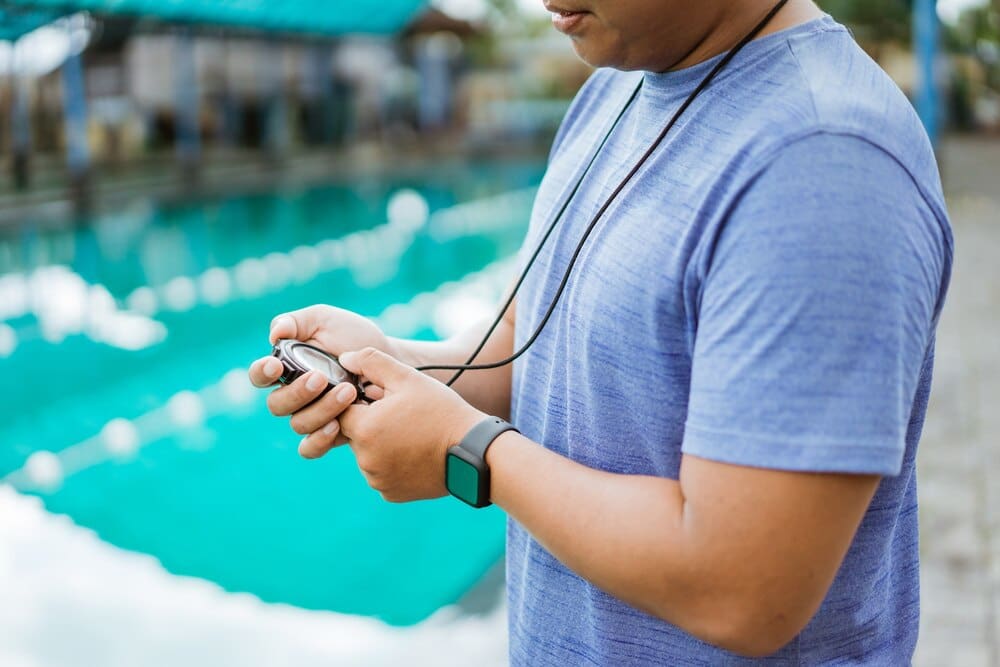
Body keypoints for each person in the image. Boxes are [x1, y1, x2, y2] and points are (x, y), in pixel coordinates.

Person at [248, 0, 953, 663]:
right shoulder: (616, 91)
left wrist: (465, 451)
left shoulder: (822, 162)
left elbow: (741, 586)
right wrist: (395, 366)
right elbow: (527, 348)